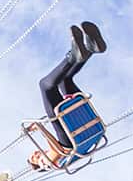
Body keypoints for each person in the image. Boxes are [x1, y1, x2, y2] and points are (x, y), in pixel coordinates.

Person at [26, 22, 107, 171]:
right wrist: (39, 128)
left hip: (79, 128)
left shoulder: (52, 158)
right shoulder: (48, 163)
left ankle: (90, 49)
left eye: (34, 154)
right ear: (40, 165)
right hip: (68, 139)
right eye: (35, 157)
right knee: (45, 85)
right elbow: (58, 150)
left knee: (65, 81)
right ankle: (72, 56)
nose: (37, 154)